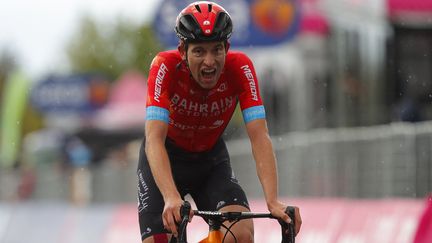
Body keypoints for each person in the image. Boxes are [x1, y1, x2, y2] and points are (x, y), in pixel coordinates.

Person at [137, 1, 302, 242]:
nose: (209, 61)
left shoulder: (240, 68)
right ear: (183, 51)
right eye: (199, 51)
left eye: (216, 49)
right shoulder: (165, 66)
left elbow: (259, 136)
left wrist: (273, 200)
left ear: (227, 47)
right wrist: (171, 196)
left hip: (210, 162)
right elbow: (154, 139)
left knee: (241, 235)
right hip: (166, 159)